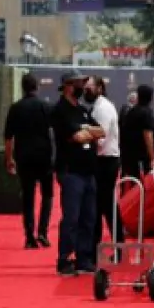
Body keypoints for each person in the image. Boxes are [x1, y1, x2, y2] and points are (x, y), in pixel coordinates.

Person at [51, 71, 105, 276]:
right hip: (70, 172)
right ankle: (64, 259)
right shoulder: (60, 110)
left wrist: (86, 131)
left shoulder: (82, 110)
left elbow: (101, 131)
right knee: (71, 218)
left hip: (89, 172)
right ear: (67, 86)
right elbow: (77, 137)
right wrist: (86, 133)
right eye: (78, 84)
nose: (83, 87)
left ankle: (83, 259)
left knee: (89, 218)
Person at [3, 73, 54, 250]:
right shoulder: (45, 107)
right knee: (48, 195)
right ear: (37, 87)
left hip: (24, 157)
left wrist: (9, 159)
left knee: (28, 197)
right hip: (44, 158)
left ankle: (29, 236)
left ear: (22, 87)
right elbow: (54, 132)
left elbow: (8, 138)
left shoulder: (15, 108)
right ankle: (43, 231)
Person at [86, 76, 122, 247]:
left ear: (99, 88)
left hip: (106, 161)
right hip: (104, 160)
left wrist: (83, 134)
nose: (86, 91)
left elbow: (101, 135)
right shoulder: (98, 107)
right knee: (102, 206)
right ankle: (98, 246)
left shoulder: (103, 108)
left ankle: (117, 246)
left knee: (107, 206)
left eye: (89, 87)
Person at [119, 84, 154, 181]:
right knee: (143, 185)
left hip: (128, 158)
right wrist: (153, 157)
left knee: (133, 186)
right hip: (142, 159)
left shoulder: (131, 111)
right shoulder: (146, 113)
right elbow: (148, 136)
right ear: (151, 97)